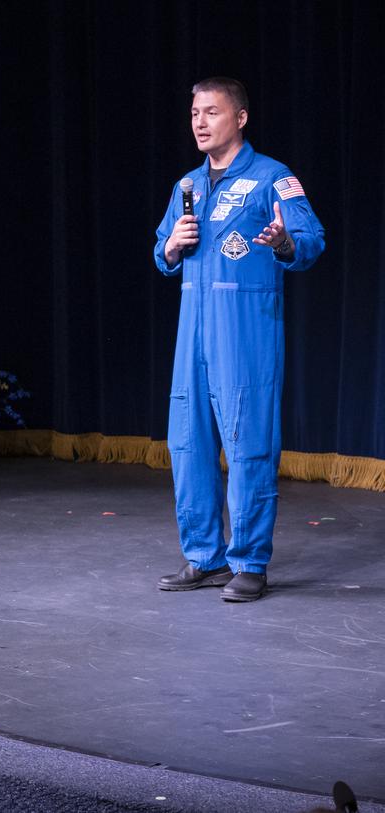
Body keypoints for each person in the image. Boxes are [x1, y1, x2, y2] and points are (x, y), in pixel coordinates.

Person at [153, 77, 325, 602]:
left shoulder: (273, 177)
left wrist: (285, 241)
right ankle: (205, 558)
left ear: (241, 118)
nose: (200, 122)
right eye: (194, 114)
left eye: (212, 112)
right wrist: (172, 246)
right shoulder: (187, 184)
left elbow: (312, 239)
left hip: (244, 334)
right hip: (193, 332)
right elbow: (162, 250)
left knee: (248, 444)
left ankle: (249, 561)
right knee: (188, 444)